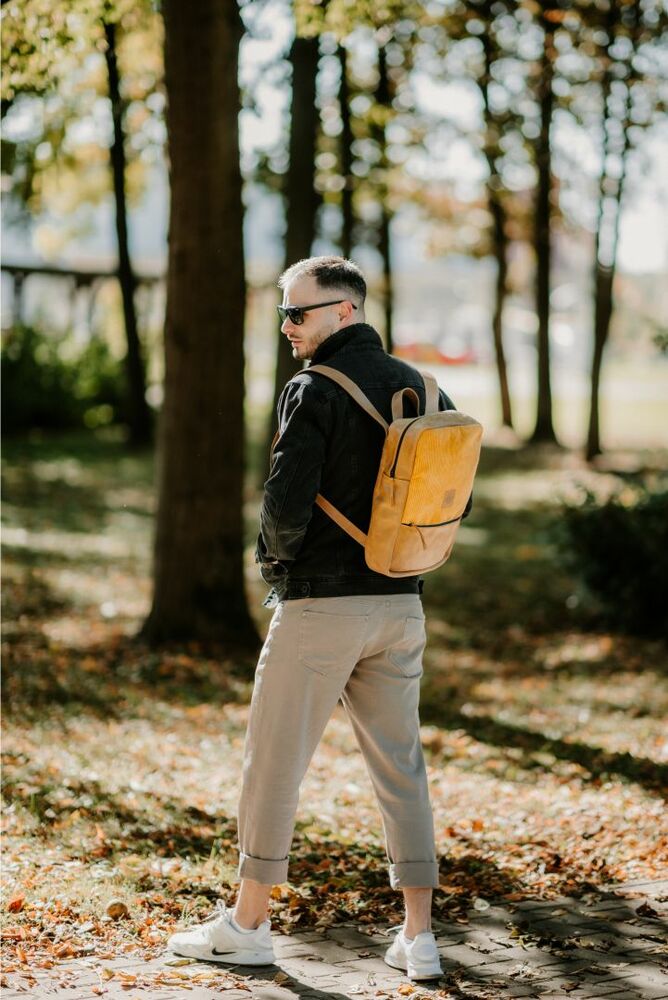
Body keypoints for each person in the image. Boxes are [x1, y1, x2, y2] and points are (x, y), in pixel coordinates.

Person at [168, 255, 470, 981]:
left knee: (274, 762)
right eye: (283, 314)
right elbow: (453, 498)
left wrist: (278, 572)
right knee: (403, 768)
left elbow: (284, 503)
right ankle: (420, 938)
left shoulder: (312, 389)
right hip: (402, 605)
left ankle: (247, 925)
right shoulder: (426, 386)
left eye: (298, 314)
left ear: (344, 312)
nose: (286, 328)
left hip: (321, 608)